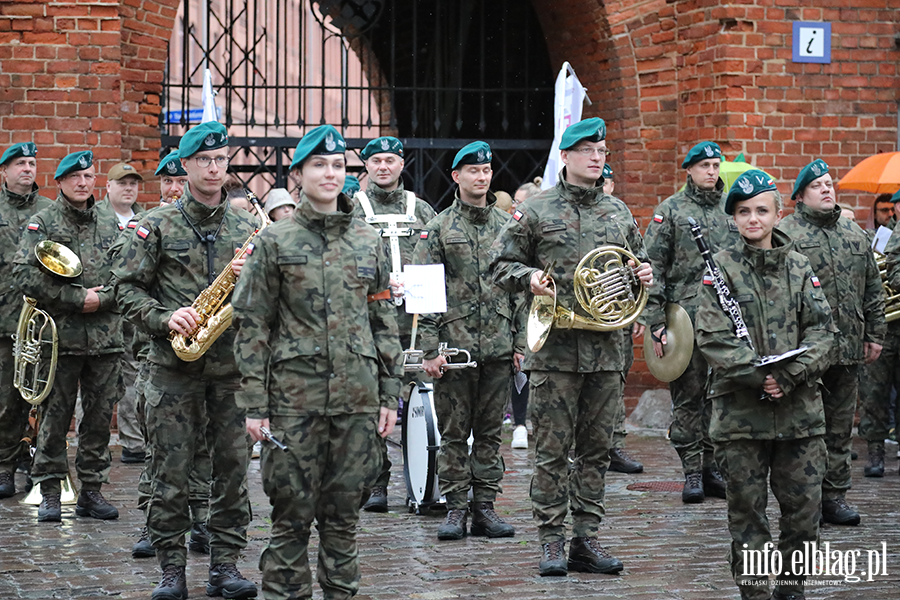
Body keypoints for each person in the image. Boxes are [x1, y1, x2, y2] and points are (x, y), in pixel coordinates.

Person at [233, 124, 403, 600]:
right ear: (298, 174)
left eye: (337, 165)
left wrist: (390, 393)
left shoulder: (367, 242)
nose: (330, 173)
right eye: (319, 165)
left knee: (344, 520)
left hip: (357, 402)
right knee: (290, 519)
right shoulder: (275, 242)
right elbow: (253, 326)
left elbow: (382, 319)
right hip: (293, 404)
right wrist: (254, 405)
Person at [491, 117, 653, 576]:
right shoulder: (536, 210)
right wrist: (530, 278)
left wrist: (644, 275)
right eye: (587, 150)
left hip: (606, 352)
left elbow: (636, 265)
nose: (597, 156)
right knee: (551, 450)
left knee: (597, 450)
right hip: (556, 353)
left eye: (601, 149)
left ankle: (586, 538)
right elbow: (500, 265)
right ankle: (550, 541)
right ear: (565, 156)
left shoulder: (618, 212)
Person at [113, 121, 258, 600]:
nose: (214, 168)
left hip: (230, 370)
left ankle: (226, 566)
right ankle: (171, 570)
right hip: (171, 368)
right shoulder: (156, 224)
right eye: (204, 161)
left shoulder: (247, 229)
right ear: (188, 165)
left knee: (232, 471)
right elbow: (125, 289)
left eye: (221, 159)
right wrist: (163, 316)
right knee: (170, 472)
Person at [695, 170, 834, 600]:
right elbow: (713, 338)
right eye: (743, 212)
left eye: (761, 210)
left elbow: (824, 332)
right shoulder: (719, 267)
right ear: (733, 218)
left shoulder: (798, 265)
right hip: (741, 417)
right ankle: (754, 592)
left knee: (803, 513)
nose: (752, 219)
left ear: (777, 213)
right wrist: (760, 377)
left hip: (799, 415)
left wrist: (788, 377)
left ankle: (792, 590)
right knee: (747, 514)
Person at [414, 141, 525, 540]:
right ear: (456, 176)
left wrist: (520, 343)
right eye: (473, 171)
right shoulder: (440, 227)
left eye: (487, 170)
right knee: (454, 433)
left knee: (491, 431)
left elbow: (521, 288)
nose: (482, 177)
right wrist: (429, 350)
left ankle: (485, 508)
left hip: (497, 345)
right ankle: (456, 508)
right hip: (453, 348)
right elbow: (425, 290)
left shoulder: (509, 225)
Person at [13, 150, 124, 522]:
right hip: (60, 339)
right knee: (54, 418)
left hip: (106, 340)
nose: (83, 183)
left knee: (98, 419)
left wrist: (103, 298)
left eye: (89, 177)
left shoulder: (111, 222)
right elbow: (23, 275)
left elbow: (128, 274)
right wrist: (77, 298)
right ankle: (49, 491)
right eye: (75, 177)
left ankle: (91, 491)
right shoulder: (42, 222)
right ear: (60, 182)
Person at [780, 159, 884, 526]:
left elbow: (872, 288)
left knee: (839, 429)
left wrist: (874, 335)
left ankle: (834, 497)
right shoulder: (785, 235)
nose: (827, 189)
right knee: (806, 429)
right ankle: (803, 499)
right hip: (806, 351)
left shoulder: (853, 233)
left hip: (849, 348)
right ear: (800, 196)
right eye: (817, 186)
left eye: (829, 183)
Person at [641, 141, 739, 502]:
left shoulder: (732, 210)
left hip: (725, 321)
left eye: (716, 165)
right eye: (705, 166)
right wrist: (655, 321)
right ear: (690, 170)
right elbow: (653, 268)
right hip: (685, 319)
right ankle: (692, 472)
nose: (712, 172)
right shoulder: (672, 210)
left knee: (720, 396)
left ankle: (713, 468)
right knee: (688, 398)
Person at [126, 152, 212, 560]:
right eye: (169, 181)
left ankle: (203, 521)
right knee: (162, 448)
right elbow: (125, 285)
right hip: (159, 353)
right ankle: (153, 523)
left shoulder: (229, 222)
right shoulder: (152, 224)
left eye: (181, 181)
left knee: (206, 448)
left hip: (214, 356)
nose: (175, 188)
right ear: (160, 184)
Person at [351, 135, 436, 512]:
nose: (383, 167)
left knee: (425, 404)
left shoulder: (423, 210)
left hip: (416, 323)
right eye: (376, 161)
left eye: (391, 160)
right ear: (366, 167)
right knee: (372, 404)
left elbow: (438, 262)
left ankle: (428, 481)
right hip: (369, 323)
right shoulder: (351, 209)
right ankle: (375, 484)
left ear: (402, 164)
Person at [0, 142, 54, 499]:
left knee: (47, 396)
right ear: (4, 171)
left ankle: (43, 467)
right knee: (8, 398)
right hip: (4, 319)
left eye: (32, 163)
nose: (27, 169)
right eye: (20, 163)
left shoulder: (50, 210)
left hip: (43, 319)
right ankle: (5, 466)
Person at [98, 163, 147, 465]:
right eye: (122, 183)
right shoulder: (96, 219)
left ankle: (133, 442)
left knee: (133, 377)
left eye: (133, 183)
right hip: (102, 313)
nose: (129, 188)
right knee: (97, 380)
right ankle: (95, 442)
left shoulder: (145, 219)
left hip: (132, 314)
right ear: (108, 187)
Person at [602, 162, 644, 474]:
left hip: (617, 310)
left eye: (605, 183)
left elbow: (640, 262)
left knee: (617, 378)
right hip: (585, 311)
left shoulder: (620, 214)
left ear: (612, 185)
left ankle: (614, 444)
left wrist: (641, 309)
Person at [860, 186, 900, 478]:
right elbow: (881, 277)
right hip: (886, 326)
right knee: (875, 392)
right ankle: (875, 451)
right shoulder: (884, 237)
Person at [508, 176, 544, 450]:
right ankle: (519, 423)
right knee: (519, 366)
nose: (514, 209)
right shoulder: (513, 231)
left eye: (518, 203)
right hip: (519, 307)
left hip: (542, 307)